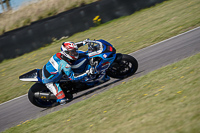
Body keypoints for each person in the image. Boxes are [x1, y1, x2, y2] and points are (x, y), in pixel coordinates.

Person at [42, 39, 94, 105]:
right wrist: (87, 72)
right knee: (63, 101)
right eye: (73, 52)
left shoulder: (63, 53)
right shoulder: (65, 64)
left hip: (53, 69)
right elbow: (73, 77)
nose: (75, 53)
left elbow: (73, 47)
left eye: (75, 51)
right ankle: (59, 98)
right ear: (66, 53)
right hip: (49, 79)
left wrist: (83, 43)